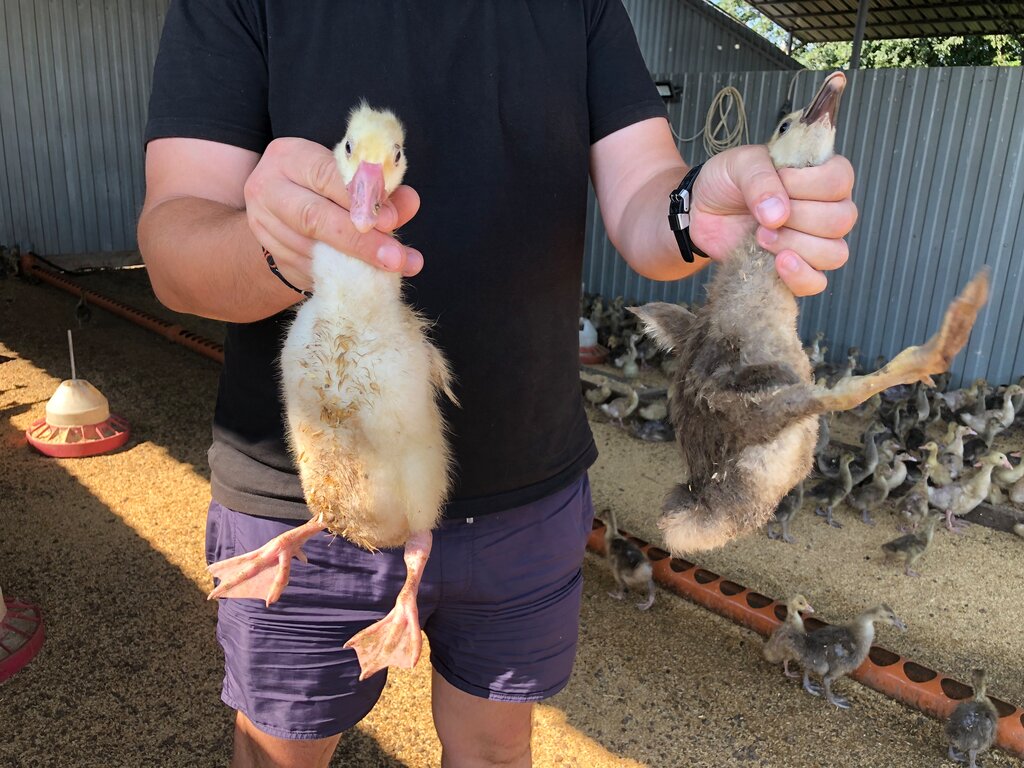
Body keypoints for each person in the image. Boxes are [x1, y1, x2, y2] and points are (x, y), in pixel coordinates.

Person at [138, 2, 856, 766]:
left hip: (526, 489)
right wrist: (280, 249)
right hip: (304, 495)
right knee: (277, 755)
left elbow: (648, 190)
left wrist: (693, 212)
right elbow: (175, 246)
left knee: (495, 753)